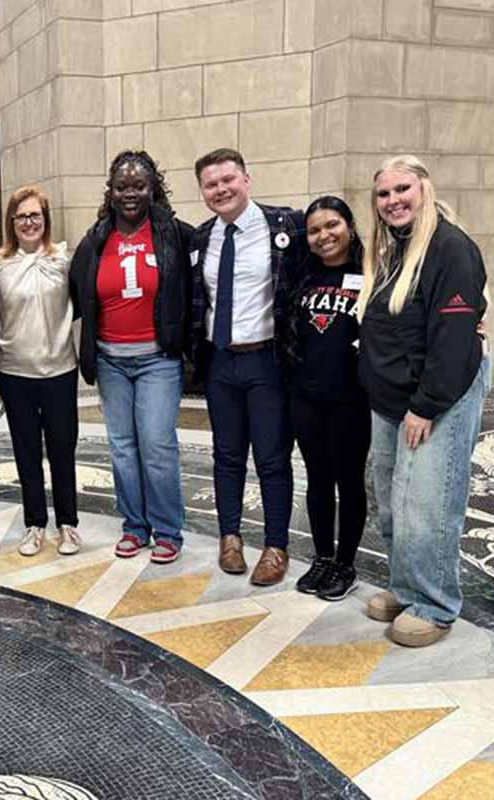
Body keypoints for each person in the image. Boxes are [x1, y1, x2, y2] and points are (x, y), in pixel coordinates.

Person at [359, 155, 490, 648]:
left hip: (438, 395)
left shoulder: (450, 248)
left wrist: (427, 405)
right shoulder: (390, 250)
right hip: (391, 398)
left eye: (402, 189)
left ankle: (434, 605)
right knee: (393, 503)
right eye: (383, 193)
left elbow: (454, 337)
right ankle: (407, 587)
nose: (392, 201)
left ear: (425, 189)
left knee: (428, 503)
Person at [189, 148, 307, 586]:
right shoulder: (202, 239)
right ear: (202, 191)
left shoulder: (286, 225)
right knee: (227, 456)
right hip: (221, 361)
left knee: (273, 459)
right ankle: (230, 538)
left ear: (247, 179)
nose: (220, 190)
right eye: (211, 184)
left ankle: (275, 546)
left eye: (228, 180)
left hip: (267, 361)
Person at [69, 151, 191, 565]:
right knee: (122, 446)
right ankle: (135, 527)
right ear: (111, 191)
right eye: (122, 186)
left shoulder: (174, 233)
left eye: (139, 185)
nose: (130, 193)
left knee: (156, 445)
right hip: (110, 359)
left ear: (153, 186)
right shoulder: (96, 238)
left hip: (158, 359)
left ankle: (168, 530)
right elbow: (77, 290)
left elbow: (194, 290)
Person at [0, 186, 80, 558]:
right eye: (21, 216)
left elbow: (82, 304)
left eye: (35, 215)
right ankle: (34, 524)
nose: (28, 222)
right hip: (14, 371)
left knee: (62, 449)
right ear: (11, 222)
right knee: (26, 451)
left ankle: (67, 523)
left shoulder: (63, 259)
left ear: (45, 219)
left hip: (59, 368)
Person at [285, 197, 369, 601]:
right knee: (317, 480)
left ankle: (345, 563)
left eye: (331, 225)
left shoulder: (372, 276)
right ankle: (322, 557)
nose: (323, 236)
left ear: (350, 227)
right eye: (315, 230)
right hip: (306, 396)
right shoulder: (303, 277)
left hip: (351, 399)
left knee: (349, 482)